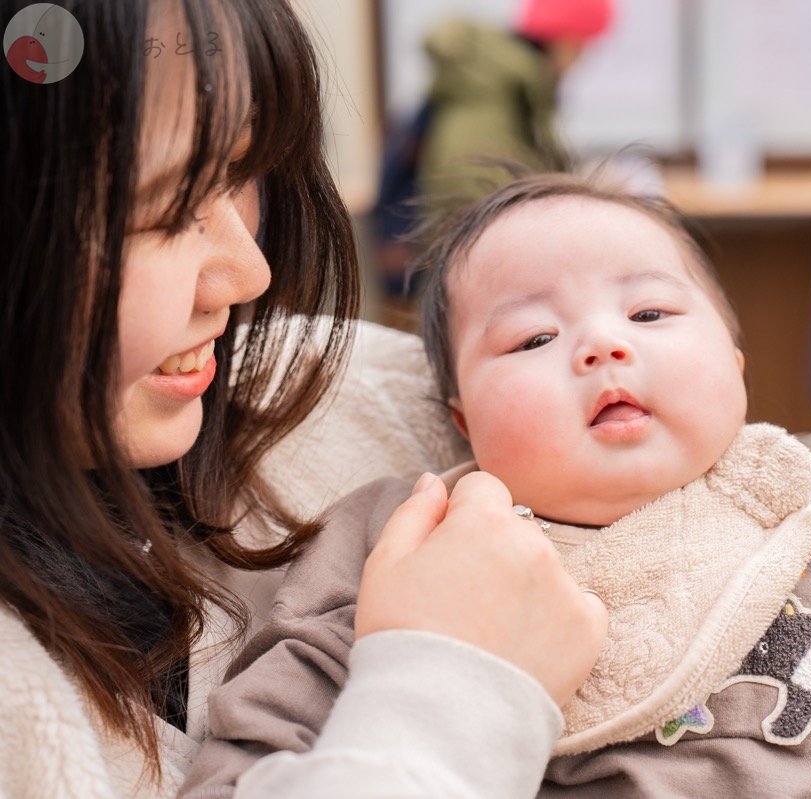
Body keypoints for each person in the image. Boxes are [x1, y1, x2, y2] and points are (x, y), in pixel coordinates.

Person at [183, 172, 811, 799]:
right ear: (459, 417)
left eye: (652, 313)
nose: (604, 343)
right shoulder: (420, 535)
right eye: (532, 337)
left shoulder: (807, 495)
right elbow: (287, 705)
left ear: (737, 363)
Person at [0, 1, 606, 796]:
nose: (249, 273)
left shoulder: (356, 395)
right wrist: (453, 695)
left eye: (243, 172)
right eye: (164, 210)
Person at [373, 0, 614, 298]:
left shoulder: (508, 88)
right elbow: (471, 210)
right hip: (473, 290)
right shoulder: (491, 99)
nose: (580, 62)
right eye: (582, 48)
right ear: (565, 39)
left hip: (474, 283)